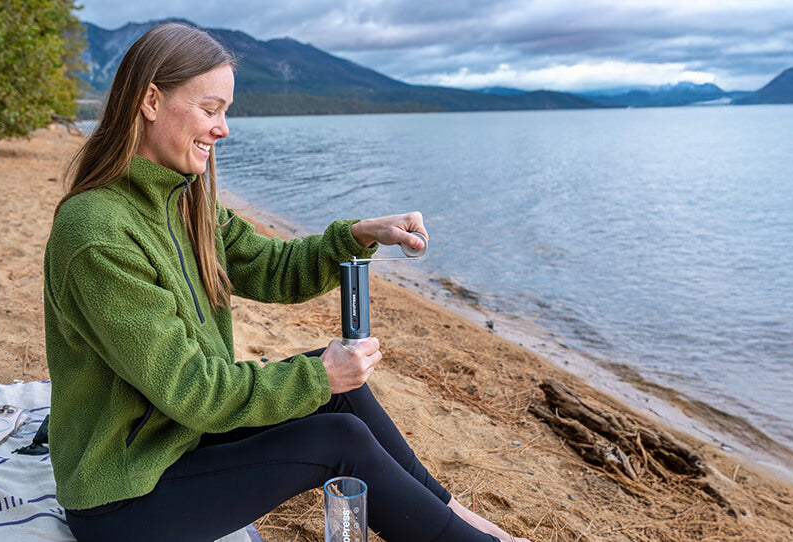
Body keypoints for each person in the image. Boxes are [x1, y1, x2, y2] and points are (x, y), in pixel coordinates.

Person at [43, 22, 530, 542]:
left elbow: (272, 267)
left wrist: (357, 235)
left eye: (225, 112)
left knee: (339, 396)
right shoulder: (98, 235)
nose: (223, 128)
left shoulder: (182, 199)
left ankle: (462, 520)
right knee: (334, 434)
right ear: (150, 101)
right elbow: (192, 390)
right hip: (123, 494)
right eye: (210, 110)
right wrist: (323, 374)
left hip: (178, 439)